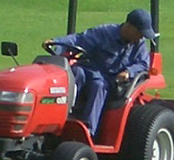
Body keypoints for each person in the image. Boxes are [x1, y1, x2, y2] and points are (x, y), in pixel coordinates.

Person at [42, 9, 158, 137]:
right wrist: (56, 42)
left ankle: (88, 130)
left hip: (111, 79)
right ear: (129, 27)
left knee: (98, 85)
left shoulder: (139, 45)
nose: (141, 37)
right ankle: (62, 114)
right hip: (90, 69)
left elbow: (143, 64)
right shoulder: (105, 33)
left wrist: (128, 72)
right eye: (140, 33)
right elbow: (79, 40)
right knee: (75, 73)